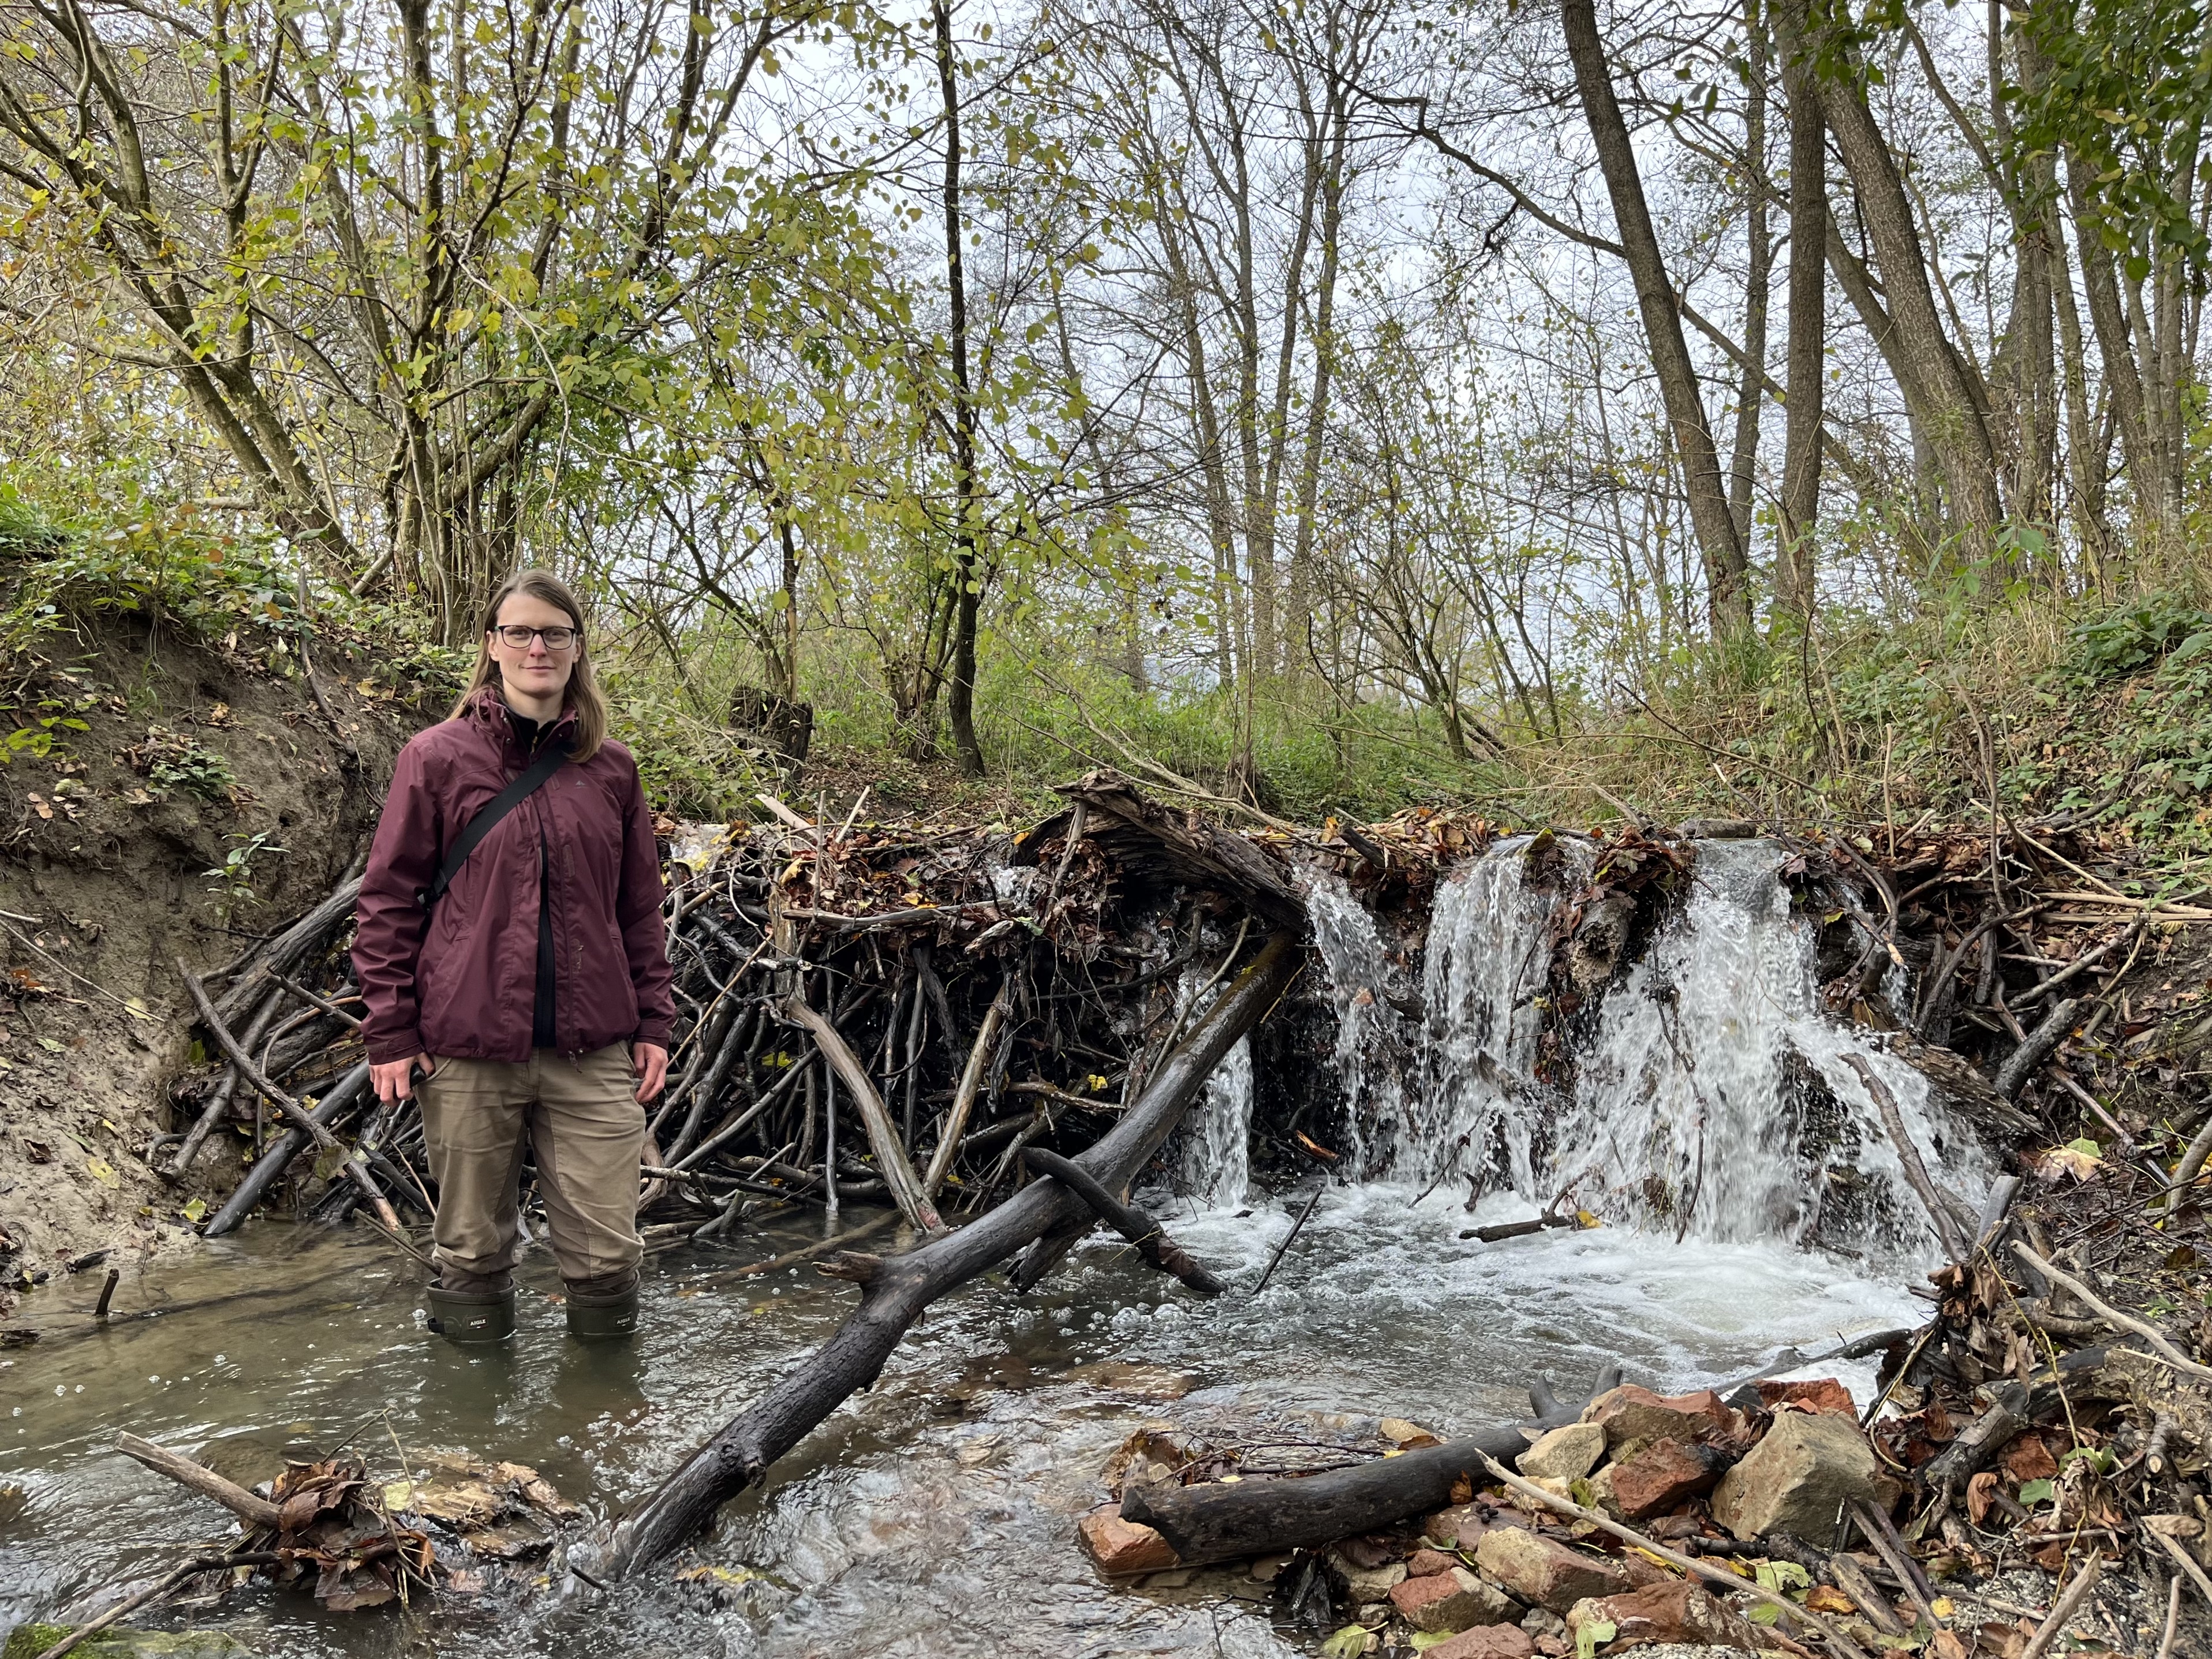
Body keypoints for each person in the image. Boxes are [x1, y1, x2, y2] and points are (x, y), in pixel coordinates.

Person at [353, 570, 673, 1343]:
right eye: (521, 631)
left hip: (592, 1052)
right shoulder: (435, 758)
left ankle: (601, 1434)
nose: (538, 646)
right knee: (471, 1252)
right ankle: (472, 1436)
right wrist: (390, 1030)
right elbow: (388, 900)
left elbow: (639, 911)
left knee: (607, 1257)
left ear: (577, 649)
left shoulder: (613, 769)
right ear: (492, 646)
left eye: (555, 633)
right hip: (466, 1054)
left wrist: (656, 1022)